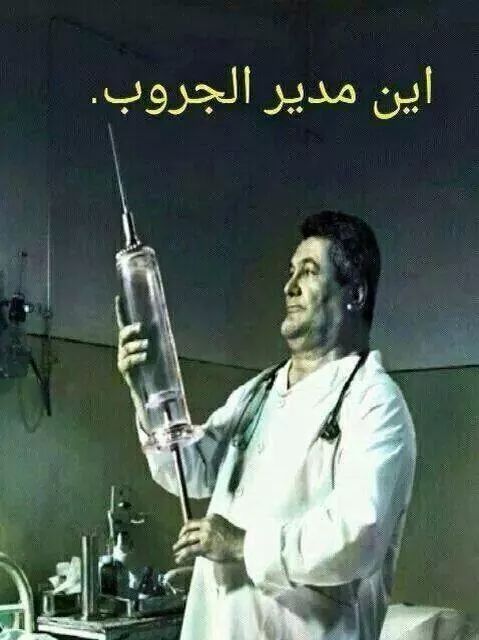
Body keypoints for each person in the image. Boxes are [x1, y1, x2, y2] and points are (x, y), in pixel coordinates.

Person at [117, 210, 416, 640]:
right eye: (290, 271)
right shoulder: (257, 394)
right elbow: (189, 470)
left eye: (308, 271)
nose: (289, 286)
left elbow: (357, 534)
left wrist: (242, 544)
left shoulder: (375, 403)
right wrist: (147, 389)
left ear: (355, 294)